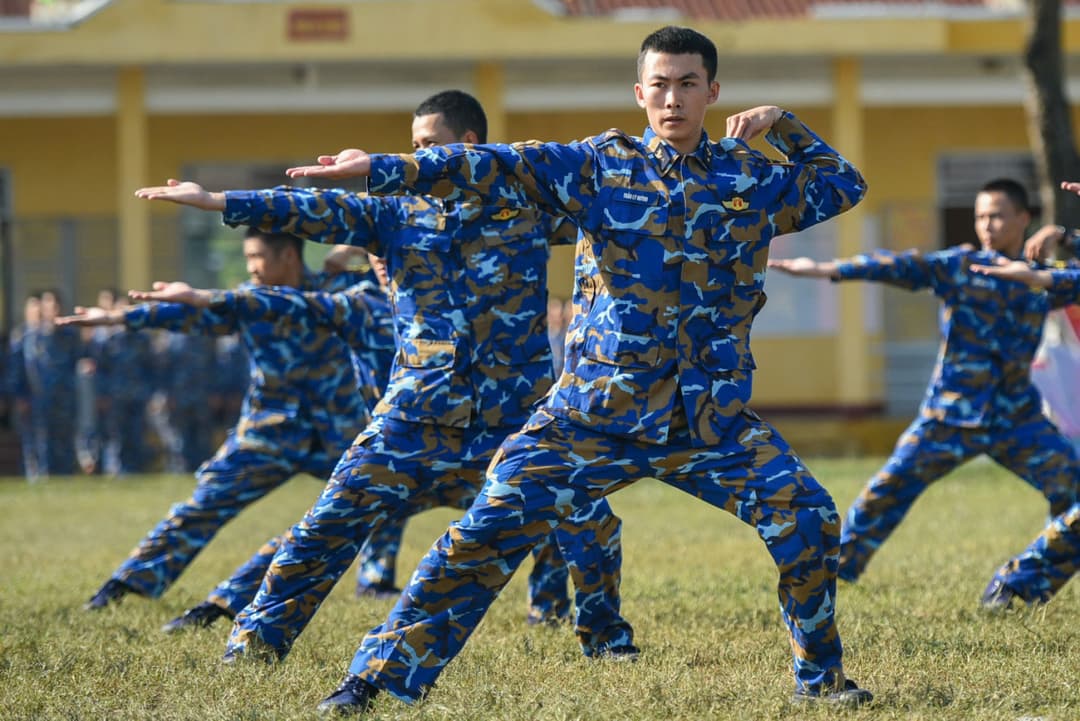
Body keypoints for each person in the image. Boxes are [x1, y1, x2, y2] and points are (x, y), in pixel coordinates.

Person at [256, 25, 870, 712]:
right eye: (660, 85)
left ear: (712, 92)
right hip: (592, 415)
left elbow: (843, 185)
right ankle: (377, 678)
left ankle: (823, 684)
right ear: (640, 94)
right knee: (485, 530)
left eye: (688, 84)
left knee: (810, 519)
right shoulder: (596, 167)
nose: (673, 99)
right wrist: (381, 170)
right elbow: (488, 165)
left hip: (707, 420)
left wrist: (782, 124)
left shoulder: (748, 178)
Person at [134, 89, 634, 664]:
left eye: (428, 146)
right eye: (412, 146)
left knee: (587, 518)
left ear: (469, 145)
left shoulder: (526, 210)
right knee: (325, 525)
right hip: (414, 415)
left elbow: (622, 204)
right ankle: (253, 645)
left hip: (512, 419)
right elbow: (310, 209)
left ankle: (604, 640)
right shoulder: (394, 213)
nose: (416, 157)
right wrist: (219, 199)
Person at [769, 178, 1080, 586]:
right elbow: (893, 266)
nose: (987, 225)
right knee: (883, 493)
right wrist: (826, 270)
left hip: (1017, 421)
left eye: (998, 215)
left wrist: (1065, 236)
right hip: (948, 416)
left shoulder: (1042, 279)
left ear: (1023, 218)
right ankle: (831, 577)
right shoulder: (958, 267)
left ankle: (1022, 584)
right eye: (981, 217)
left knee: (1072, 494)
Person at [66, 228, 381, 611]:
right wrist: (117, 318)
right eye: (246, 258)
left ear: (289, 257)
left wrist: (345, 249)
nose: (251, 267)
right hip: (268, 432)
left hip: (336, 435)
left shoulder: (338, 291)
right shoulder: (246, 302)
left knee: (359, 507)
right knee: (204, 504)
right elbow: (185, 315)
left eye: (257, 257)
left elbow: (389, 270)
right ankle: (124, 586)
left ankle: (228, 603)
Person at [18, 290, 82, 477]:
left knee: (64, 437)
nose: (52, 309)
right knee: (41, 439)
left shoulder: (70, 336)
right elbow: (23, 369)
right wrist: (22, 395)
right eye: (48, 305)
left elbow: (78, 361)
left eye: (56, 305)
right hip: (39, 398)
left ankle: (65, 474)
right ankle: (42, 475)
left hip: (65, 397)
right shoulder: (31, 337)